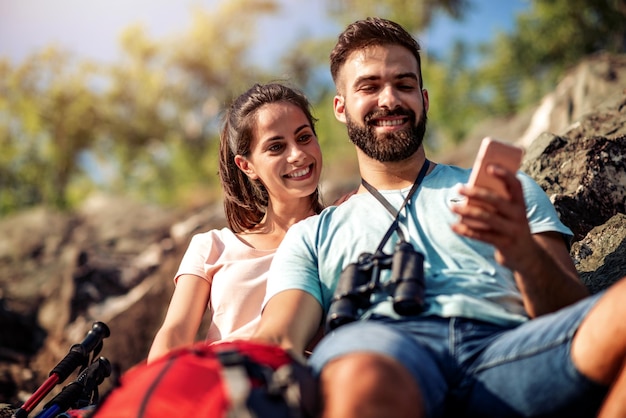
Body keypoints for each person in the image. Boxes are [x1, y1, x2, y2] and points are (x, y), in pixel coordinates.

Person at [253, 17, 626, 417]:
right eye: (370, 86)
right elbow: (279, 336)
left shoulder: (507, 190)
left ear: (424, 100)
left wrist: (522, 252)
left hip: (509, 352)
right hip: (381, 351)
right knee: (362, 377)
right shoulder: (312, 235)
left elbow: (571, 311)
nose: (390, 99)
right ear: (341, 108)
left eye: (404, 84)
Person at [148, 83, 324, 363]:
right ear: (247, 166)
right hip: (217, 384)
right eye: (276, 147)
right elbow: (175, 332)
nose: (297, 154)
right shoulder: (212, 246)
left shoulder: (338, 230)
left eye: (304, 138)